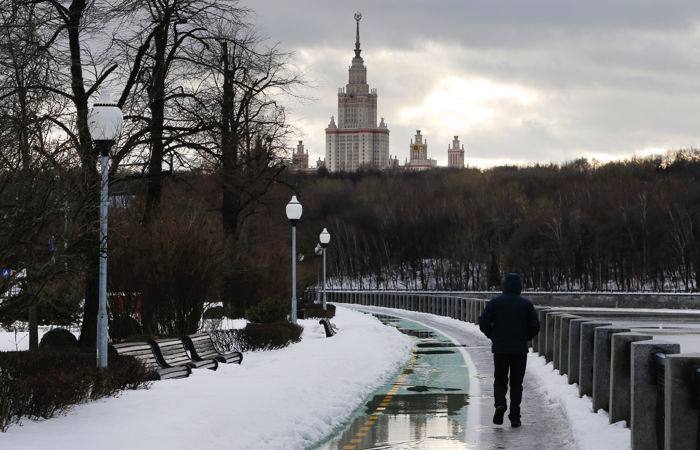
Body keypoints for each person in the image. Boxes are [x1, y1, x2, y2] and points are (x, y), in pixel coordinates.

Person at [478, 273, 540, 428]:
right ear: (519, 287)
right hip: (519, 350)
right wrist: (525, 338)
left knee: (500, 380)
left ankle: (500, 404)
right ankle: (515, 417)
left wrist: (493, 336)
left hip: (500, 349)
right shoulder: (526, 304)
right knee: (516, 384)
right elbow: (535, 326)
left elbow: (483, 322)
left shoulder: (495, 303)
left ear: (504, 286)